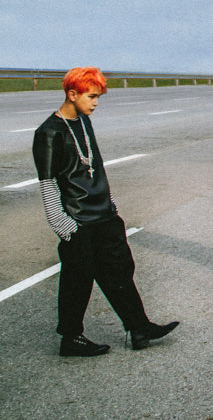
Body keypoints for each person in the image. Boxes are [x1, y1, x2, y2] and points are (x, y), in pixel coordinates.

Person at [32, 67, 178, 356]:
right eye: (91, 96)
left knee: (120, 273)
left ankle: (139, 328)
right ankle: (71, 339)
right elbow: (47, 183)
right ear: (72, 94)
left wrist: (111, 204)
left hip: (104, 216)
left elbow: (96, 166)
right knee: (77, 280)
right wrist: (63, 225)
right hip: (77, 221)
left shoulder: (84, 121)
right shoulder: (48, 132)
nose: (96, 102)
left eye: (98, 97)